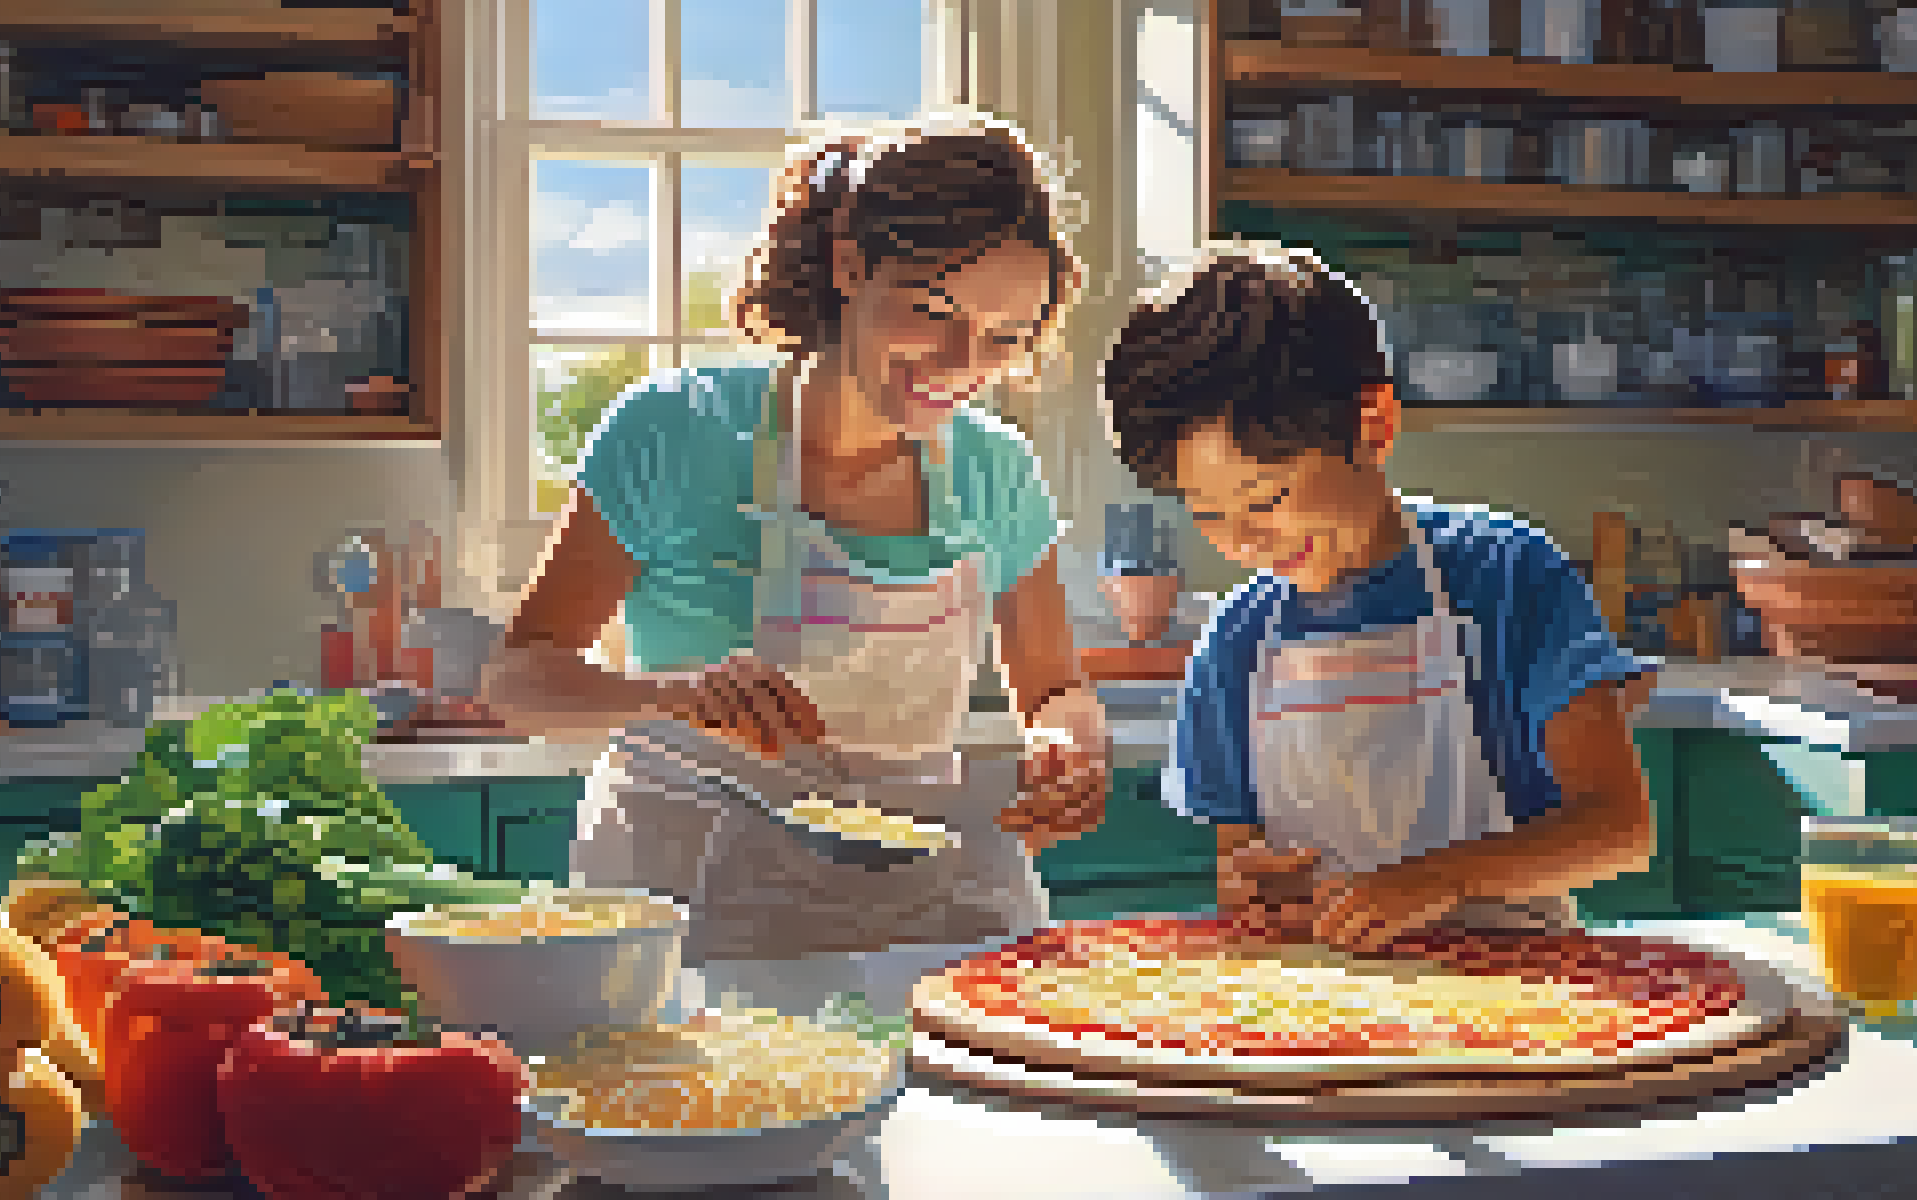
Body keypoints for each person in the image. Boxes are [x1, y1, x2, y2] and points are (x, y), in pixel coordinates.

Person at [481, 113, 1110, 972]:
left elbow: (1054, 689)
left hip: (927, 905)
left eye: (1005, 337)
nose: (964, 364)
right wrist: (667, 698)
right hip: (694, 903)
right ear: (851, 265)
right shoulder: (677, 430)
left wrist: (1069, 747)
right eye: (933, 312)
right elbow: (517, 681)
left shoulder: (995, 471)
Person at [1098, 243, 1658, 956]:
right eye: (1206, 514)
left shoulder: (1507, 574)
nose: (1241, 544)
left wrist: (1441, 882)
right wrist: (1256, 887)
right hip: (1318, 1008)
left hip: (1521, 996)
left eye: (1265, 500)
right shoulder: (1238, 639)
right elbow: (1240, 873)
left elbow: (1618, 829)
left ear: (1373, 428)